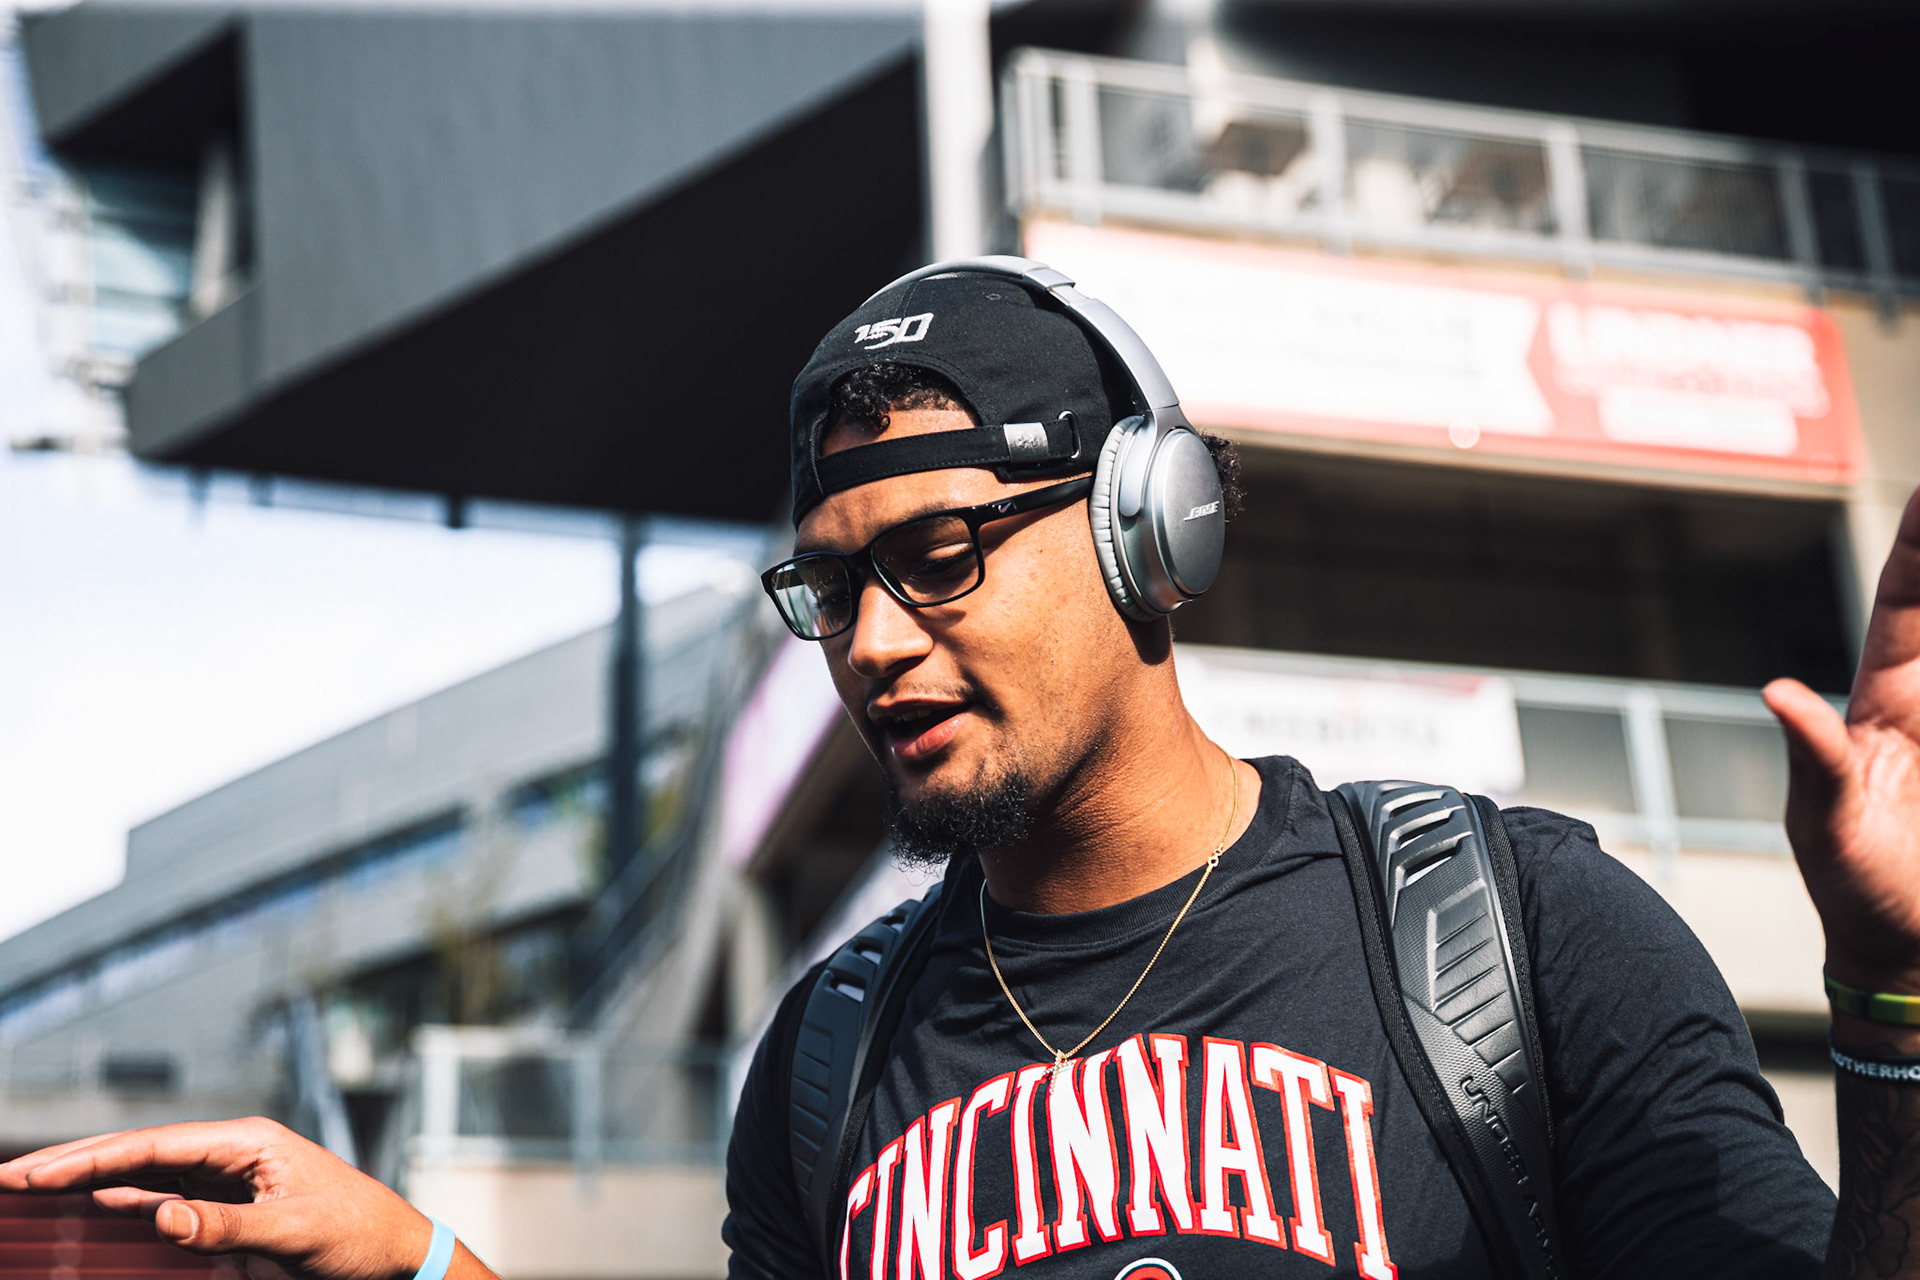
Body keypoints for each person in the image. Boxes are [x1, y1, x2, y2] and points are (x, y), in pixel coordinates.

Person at [2, 263, 1918, 1280]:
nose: (871, 644)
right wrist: (422, 1263)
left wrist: (1899, 1003)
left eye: (938, 557)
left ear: (1150, 529)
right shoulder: (829, 1060)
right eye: (832, 588)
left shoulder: (1511, 930)